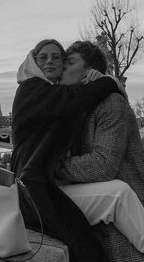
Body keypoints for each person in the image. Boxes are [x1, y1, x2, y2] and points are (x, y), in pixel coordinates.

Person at [11, 39, 122, 262]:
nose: (50, 61)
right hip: (33, 184)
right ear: (33, 61)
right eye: (43, 57)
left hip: (40, 182)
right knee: (83, 242)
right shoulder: (31, 88)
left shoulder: (49, 91)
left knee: (82, 242)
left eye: (56, 57)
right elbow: (75, 100)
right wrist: (109, 80)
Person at [56, 40, 144, 259]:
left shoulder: (111, 104)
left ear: (90, 72)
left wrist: (54, 167)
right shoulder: (77, 106)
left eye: (69, 62)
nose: (62, 69)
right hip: (105, 210)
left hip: (127, 213)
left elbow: (103, 165)